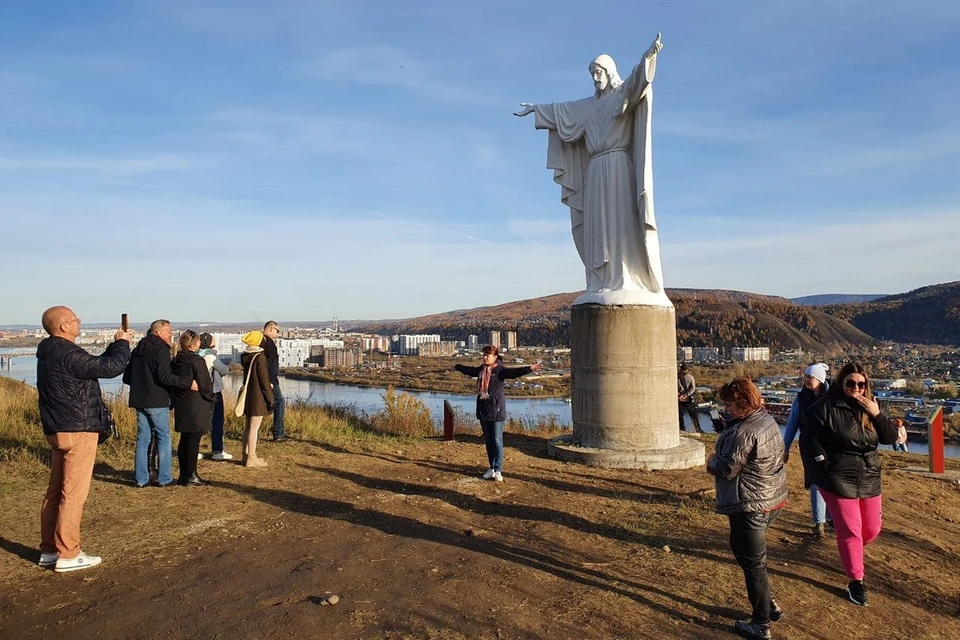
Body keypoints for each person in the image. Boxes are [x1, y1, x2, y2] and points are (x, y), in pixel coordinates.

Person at [514, 34, 670, 306]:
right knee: (597, 225)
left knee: (620, 223)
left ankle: (624, 275)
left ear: (609, 73)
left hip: (618, 167)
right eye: (592, 74)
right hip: (596, 172)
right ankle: (601, 278)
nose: (595, 78)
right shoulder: (588, 106)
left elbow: (637, 82)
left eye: (599, 72)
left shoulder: (620, 96)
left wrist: (649, 57)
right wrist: (536, 109)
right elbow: (562, 112)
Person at [36, 306, 131, 572]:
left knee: (55, 492)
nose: (78, 322)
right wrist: (123, 343)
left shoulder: (49, 352)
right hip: (79, 427)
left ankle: (50, 550)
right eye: (75, 319)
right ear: (64, 326)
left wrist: (115, 345)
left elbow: (95, 366)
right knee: (73, 494)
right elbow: (111, 368)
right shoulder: (67, 352)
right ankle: (68, 552)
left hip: (57, 427)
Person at [802, 363, 898, 607]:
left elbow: (889, 438)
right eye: (851, 383)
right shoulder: (824, 407)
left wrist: (876, 413)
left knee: (872, 530)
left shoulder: (870, 406)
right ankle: (856, 582)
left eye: (861, 384)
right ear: (840, 383)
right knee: (851, 531)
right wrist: (824, 465)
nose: (856, 388)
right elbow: (809, 438)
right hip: (837, 477)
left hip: (869, 475)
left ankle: (849, 547)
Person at [706, 377, 788, 640]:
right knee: (745, 554)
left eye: (729, 405)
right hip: (770, 499)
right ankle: (767, 602)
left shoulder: (743, 432)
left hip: (749, 504)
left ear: (743, 403)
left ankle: (760, 624)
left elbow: (728, 469)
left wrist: (711, 461)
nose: (726, 409)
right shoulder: (765, 420)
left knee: (753, 564)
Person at [123, 319, 197, 488]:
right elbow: (165, 376)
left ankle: (141, 479)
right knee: (164, 437)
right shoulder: (161, 350)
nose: (171, 335)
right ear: (158, 332)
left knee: (143, 439)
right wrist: (186, 383)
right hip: (156, 399)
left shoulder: (138, 349)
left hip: (139, 399)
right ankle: (165, 477)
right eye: (169, 332)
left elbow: (127, 377)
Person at [453, 346, 543, 482]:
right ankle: (492, 468)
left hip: (497, 410)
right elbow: (469, 370)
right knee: (488, 441)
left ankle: (498, 469)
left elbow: (514, 372)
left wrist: (529, 368)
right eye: (484, 355)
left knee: (496, 441)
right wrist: (458, 366)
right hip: (483, 410)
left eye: (488, 355)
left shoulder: (500, 371)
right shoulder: (481, 370)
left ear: (495, 357)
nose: (485, 357)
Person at [783, 363, 832, 537]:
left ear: (819, 379)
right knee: (816, 482)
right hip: (808, 445)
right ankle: (819, 523)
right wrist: (786, 447)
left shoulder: (832, 396)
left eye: (809, 377)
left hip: (830, 445)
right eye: (805, 377)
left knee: (832, 481)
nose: (806, 380)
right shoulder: (801, 398)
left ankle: (831, 516)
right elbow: (792, 423)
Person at [172, 331, 215, 486]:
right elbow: (205, 384)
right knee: (193, 440)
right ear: (193, 344)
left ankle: (184, 474)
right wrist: (212, 398)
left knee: (185, 440)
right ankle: (191, 474)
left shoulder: (177, 359)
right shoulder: (196, 361)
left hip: (183, 403)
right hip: (197, 405)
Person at [239, 330, 274, 467]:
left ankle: (245, 454)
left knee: (247, 427)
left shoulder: (246, 356)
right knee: (254, 428)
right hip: (258, 396)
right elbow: (264, 380)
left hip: (248, 395)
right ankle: (252, 457)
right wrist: (270, 397)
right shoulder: (260, 357)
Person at [198, 333, 232, 461]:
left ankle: (195, 449)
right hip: (214, 391)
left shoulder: (197, 355)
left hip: (200, 392)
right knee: (217, 420)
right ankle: (217, 450)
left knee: (200, 420)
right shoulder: (210, 356)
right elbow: (224, 370)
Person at [261, 320, 287, 442]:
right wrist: (271, 380)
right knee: (279, 402)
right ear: (271, 329)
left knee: (265, 403)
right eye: (277, 331)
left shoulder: (262, 341)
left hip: (266, 378)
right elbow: (270, 363)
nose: (277, 334)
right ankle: (278, 433)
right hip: (271, 380)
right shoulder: (269, 342)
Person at [678, 363, 702, 433]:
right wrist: (686, 395)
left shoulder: (677, 377)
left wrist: (680, 395)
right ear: (688, 369)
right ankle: (698, 429)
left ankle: (682, 429)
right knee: (693, 414)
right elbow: (693, 388)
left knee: (680, 415)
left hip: (679, 398)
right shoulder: (690, 377)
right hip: (688, 399)